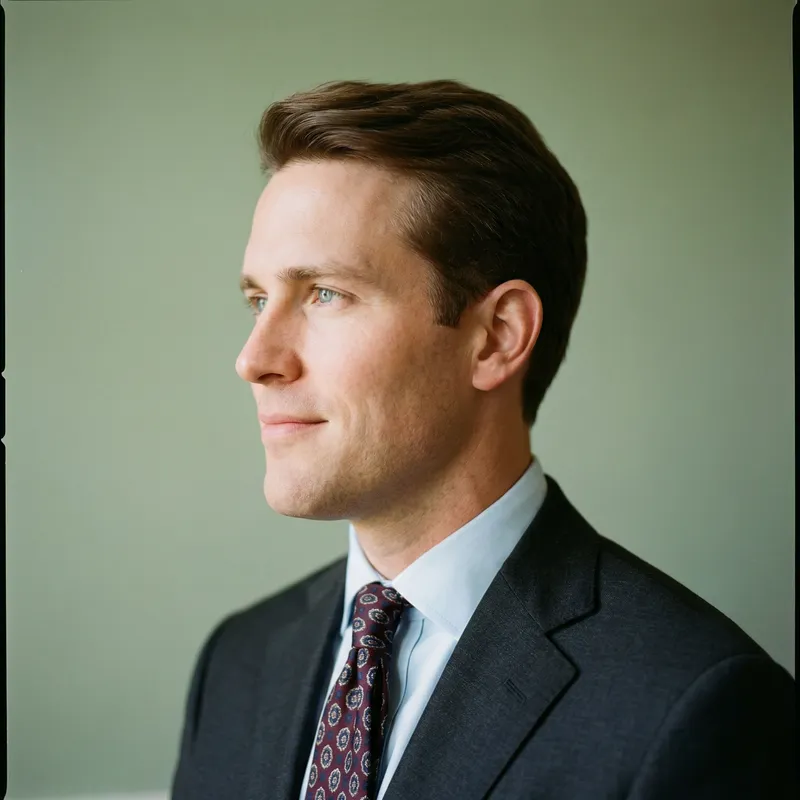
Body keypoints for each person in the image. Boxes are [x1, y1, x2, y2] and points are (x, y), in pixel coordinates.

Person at [170, 79, 795, 800]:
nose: (254, 358)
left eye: (325, 294)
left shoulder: (694, 704)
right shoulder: (238, 663)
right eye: (257, 299)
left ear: (497, 338)